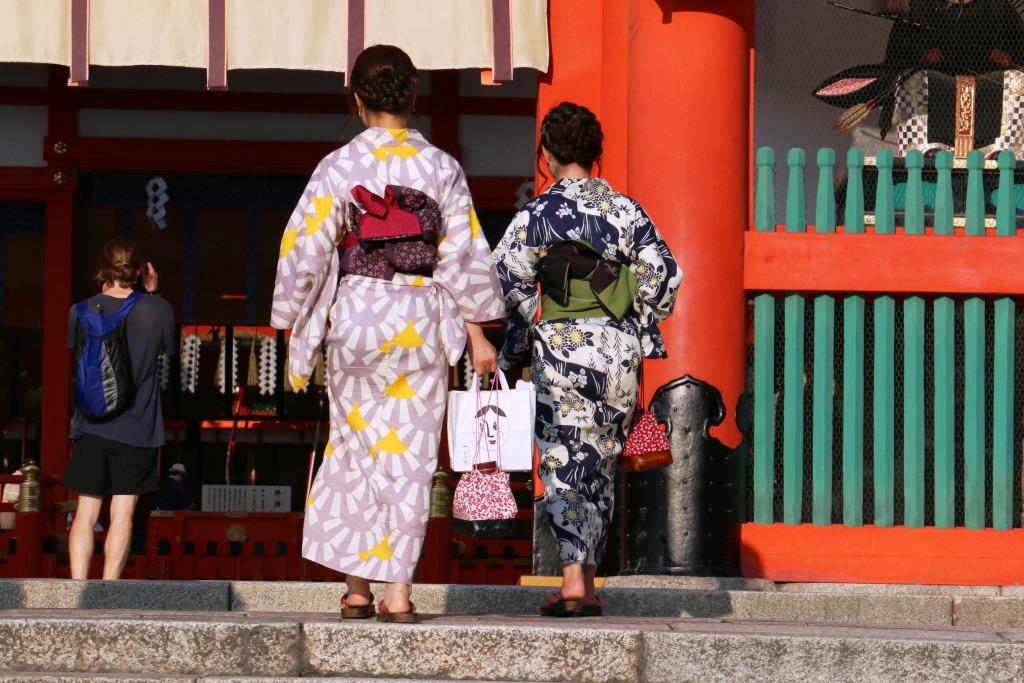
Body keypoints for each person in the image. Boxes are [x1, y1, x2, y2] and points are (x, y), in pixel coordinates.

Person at [272, 44, 503, 623]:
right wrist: (478, 333)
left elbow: (303, 248)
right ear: (415, 93)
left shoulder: (339, 166)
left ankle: (356, 590)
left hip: (358, 315)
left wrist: (288, 316)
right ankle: (397, 593)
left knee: (356, 448)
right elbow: (465, 256)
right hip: (420, 317)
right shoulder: (442, 167)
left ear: (356, 99)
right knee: (412, 458)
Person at [493, 102, 681, 617]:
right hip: (617, 351)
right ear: (595, 154)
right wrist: (628, 310)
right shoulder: (626, 210)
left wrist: (537, 312)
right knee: (599, 460)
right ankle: (589, 581)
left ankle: (574, 581)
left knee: (564, 458)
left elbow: (505, 274)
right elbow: (664, 279)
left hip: (561, 347)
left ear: (547, 155)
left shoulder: (537, 213)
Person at [64, 237, 175, 580]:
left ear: (103, 271)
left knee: (86, 509)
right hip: (137, 427)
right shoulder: (157, 309)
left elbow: (76, 355)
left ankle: (77, 589)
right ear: (142, 271)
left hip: (90, 423)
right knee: (123, 511)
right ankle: (110, 588)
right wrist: (153, 295)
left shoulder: (79, 310)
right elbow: (168, 349)